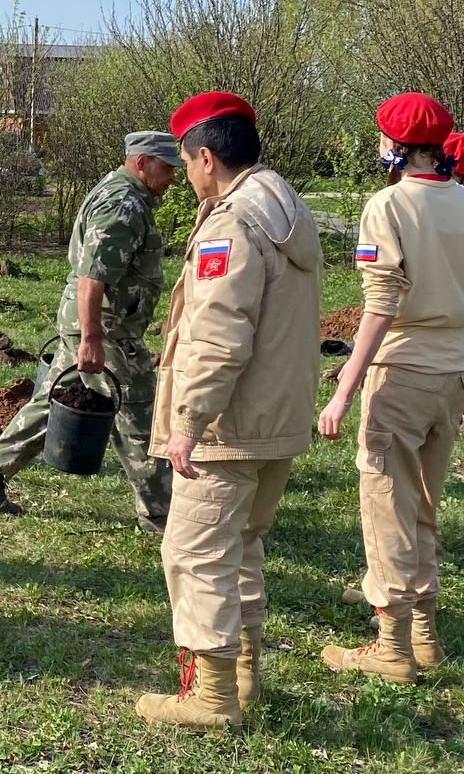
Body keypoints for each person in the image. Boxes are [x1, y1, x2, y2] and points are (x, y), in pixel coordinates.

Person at [135, 91, 321, 729]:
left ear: (206, 157)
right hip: (277, 421)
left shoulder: (231, 224)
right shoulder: (286, 210)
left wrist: (188, 422)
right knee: (241, 547)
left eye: (186, 162)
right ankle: (244, 677)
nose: (185, 175)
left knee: (193, 553)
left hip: (228, 425)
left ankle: (211, 698)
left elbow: (219, 336)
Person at [0, 131, 179, 531]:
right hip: (105, 329)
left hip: (90, 324)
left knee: (55, 399)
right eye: (167, 167)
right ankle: (160, 511)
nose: (173, 177)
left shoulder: (122, 194)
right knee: (138, 411)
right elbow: (92, 278)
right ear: (142, 162)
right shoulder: (122, 205)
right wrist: (93, 338)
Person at [316, 93, 464, 685]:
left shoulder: (388, 205)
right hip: (452, 375)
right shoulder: (462, 200)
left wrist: (344, 388)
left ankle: (392, 646)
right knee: (426, 497)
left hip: (401, 371)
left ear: (398, 148)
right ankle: (426, 635)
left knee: (386, 503)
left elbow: (380, 304)